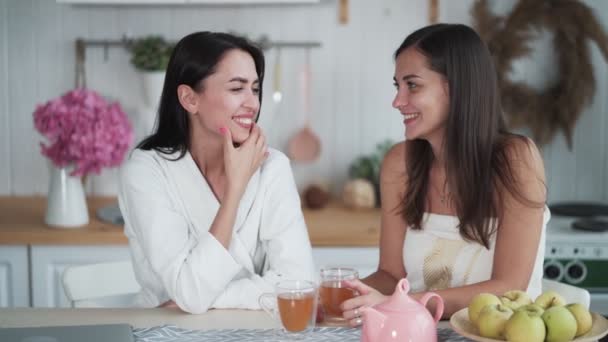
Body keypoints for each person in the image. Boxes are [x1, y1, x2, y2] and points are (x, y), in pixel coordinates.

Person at [341, 23, 550, 325]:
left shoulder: (516, 159)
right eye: (397, 86)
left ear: (456, 88)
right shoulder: (399, 163)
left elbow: (508, 288)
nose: (397, 101)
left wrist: (394, 304)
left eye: (412, 85)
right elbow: (391, 275)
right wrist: (348, 296)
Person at [118, 32, 315, 314]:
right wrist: (235, 190)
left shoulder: (273, 166)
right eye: (237, 89)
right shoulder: (146, 172)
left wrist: (216, 298)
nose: (253, 103)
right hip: (164, 331)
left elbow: (302, 285)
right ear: (189, 98)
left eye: (255, 89)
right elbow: (191, 293)